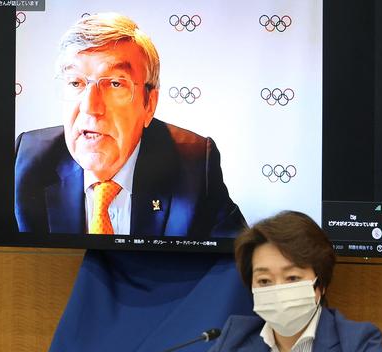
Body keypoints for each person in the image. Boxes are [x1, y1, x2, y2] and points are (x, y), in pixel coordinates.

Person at [14, 12, 245, 237]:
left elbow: (239, 261)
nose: (90, 106)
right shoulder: (26, 161)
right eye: (76, 83)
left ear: (149, 105)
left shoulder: (194, 165)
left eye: (115, 84)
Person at [199, 211, 382, 352]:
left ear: (320, 284)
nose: (278, 290)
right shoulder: (233, 341)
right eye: (264, 281)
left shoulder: (358, 343)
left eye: (292, 278)